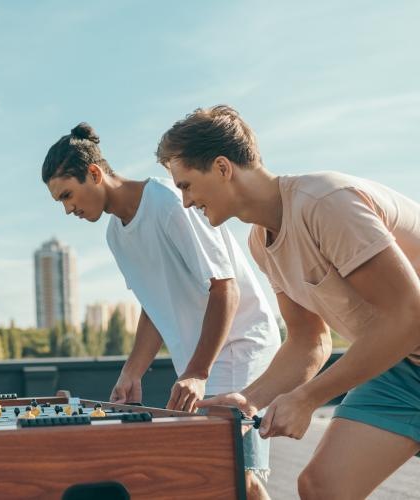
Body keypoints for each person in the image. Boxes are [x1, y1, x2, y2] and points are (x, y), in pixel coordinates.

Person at [156, 105, 420, 499]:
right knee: (323, 487)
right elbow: (309, 341)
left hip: (404, 338)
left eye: (187, 185)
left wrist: (308, 398)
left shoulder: (324, 202)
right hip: (401, 367)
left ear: (223, 168)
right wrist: (251, 399)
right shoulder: (260, 243)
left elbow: (410, 315)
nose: (187, 201)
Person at [41, 123, 281, 498]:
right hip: (200, 362)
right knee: (208, 476)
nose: (68, 208)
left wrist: (198, 372)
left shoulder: (169, 202)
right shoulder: (115, 236)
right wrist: (131, 371)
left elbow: (225, 289)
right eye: (61, 202)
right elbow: (154, 305)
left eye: (68, 195)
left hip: (239, 346)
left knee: (234, 477)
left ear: (94, 173)